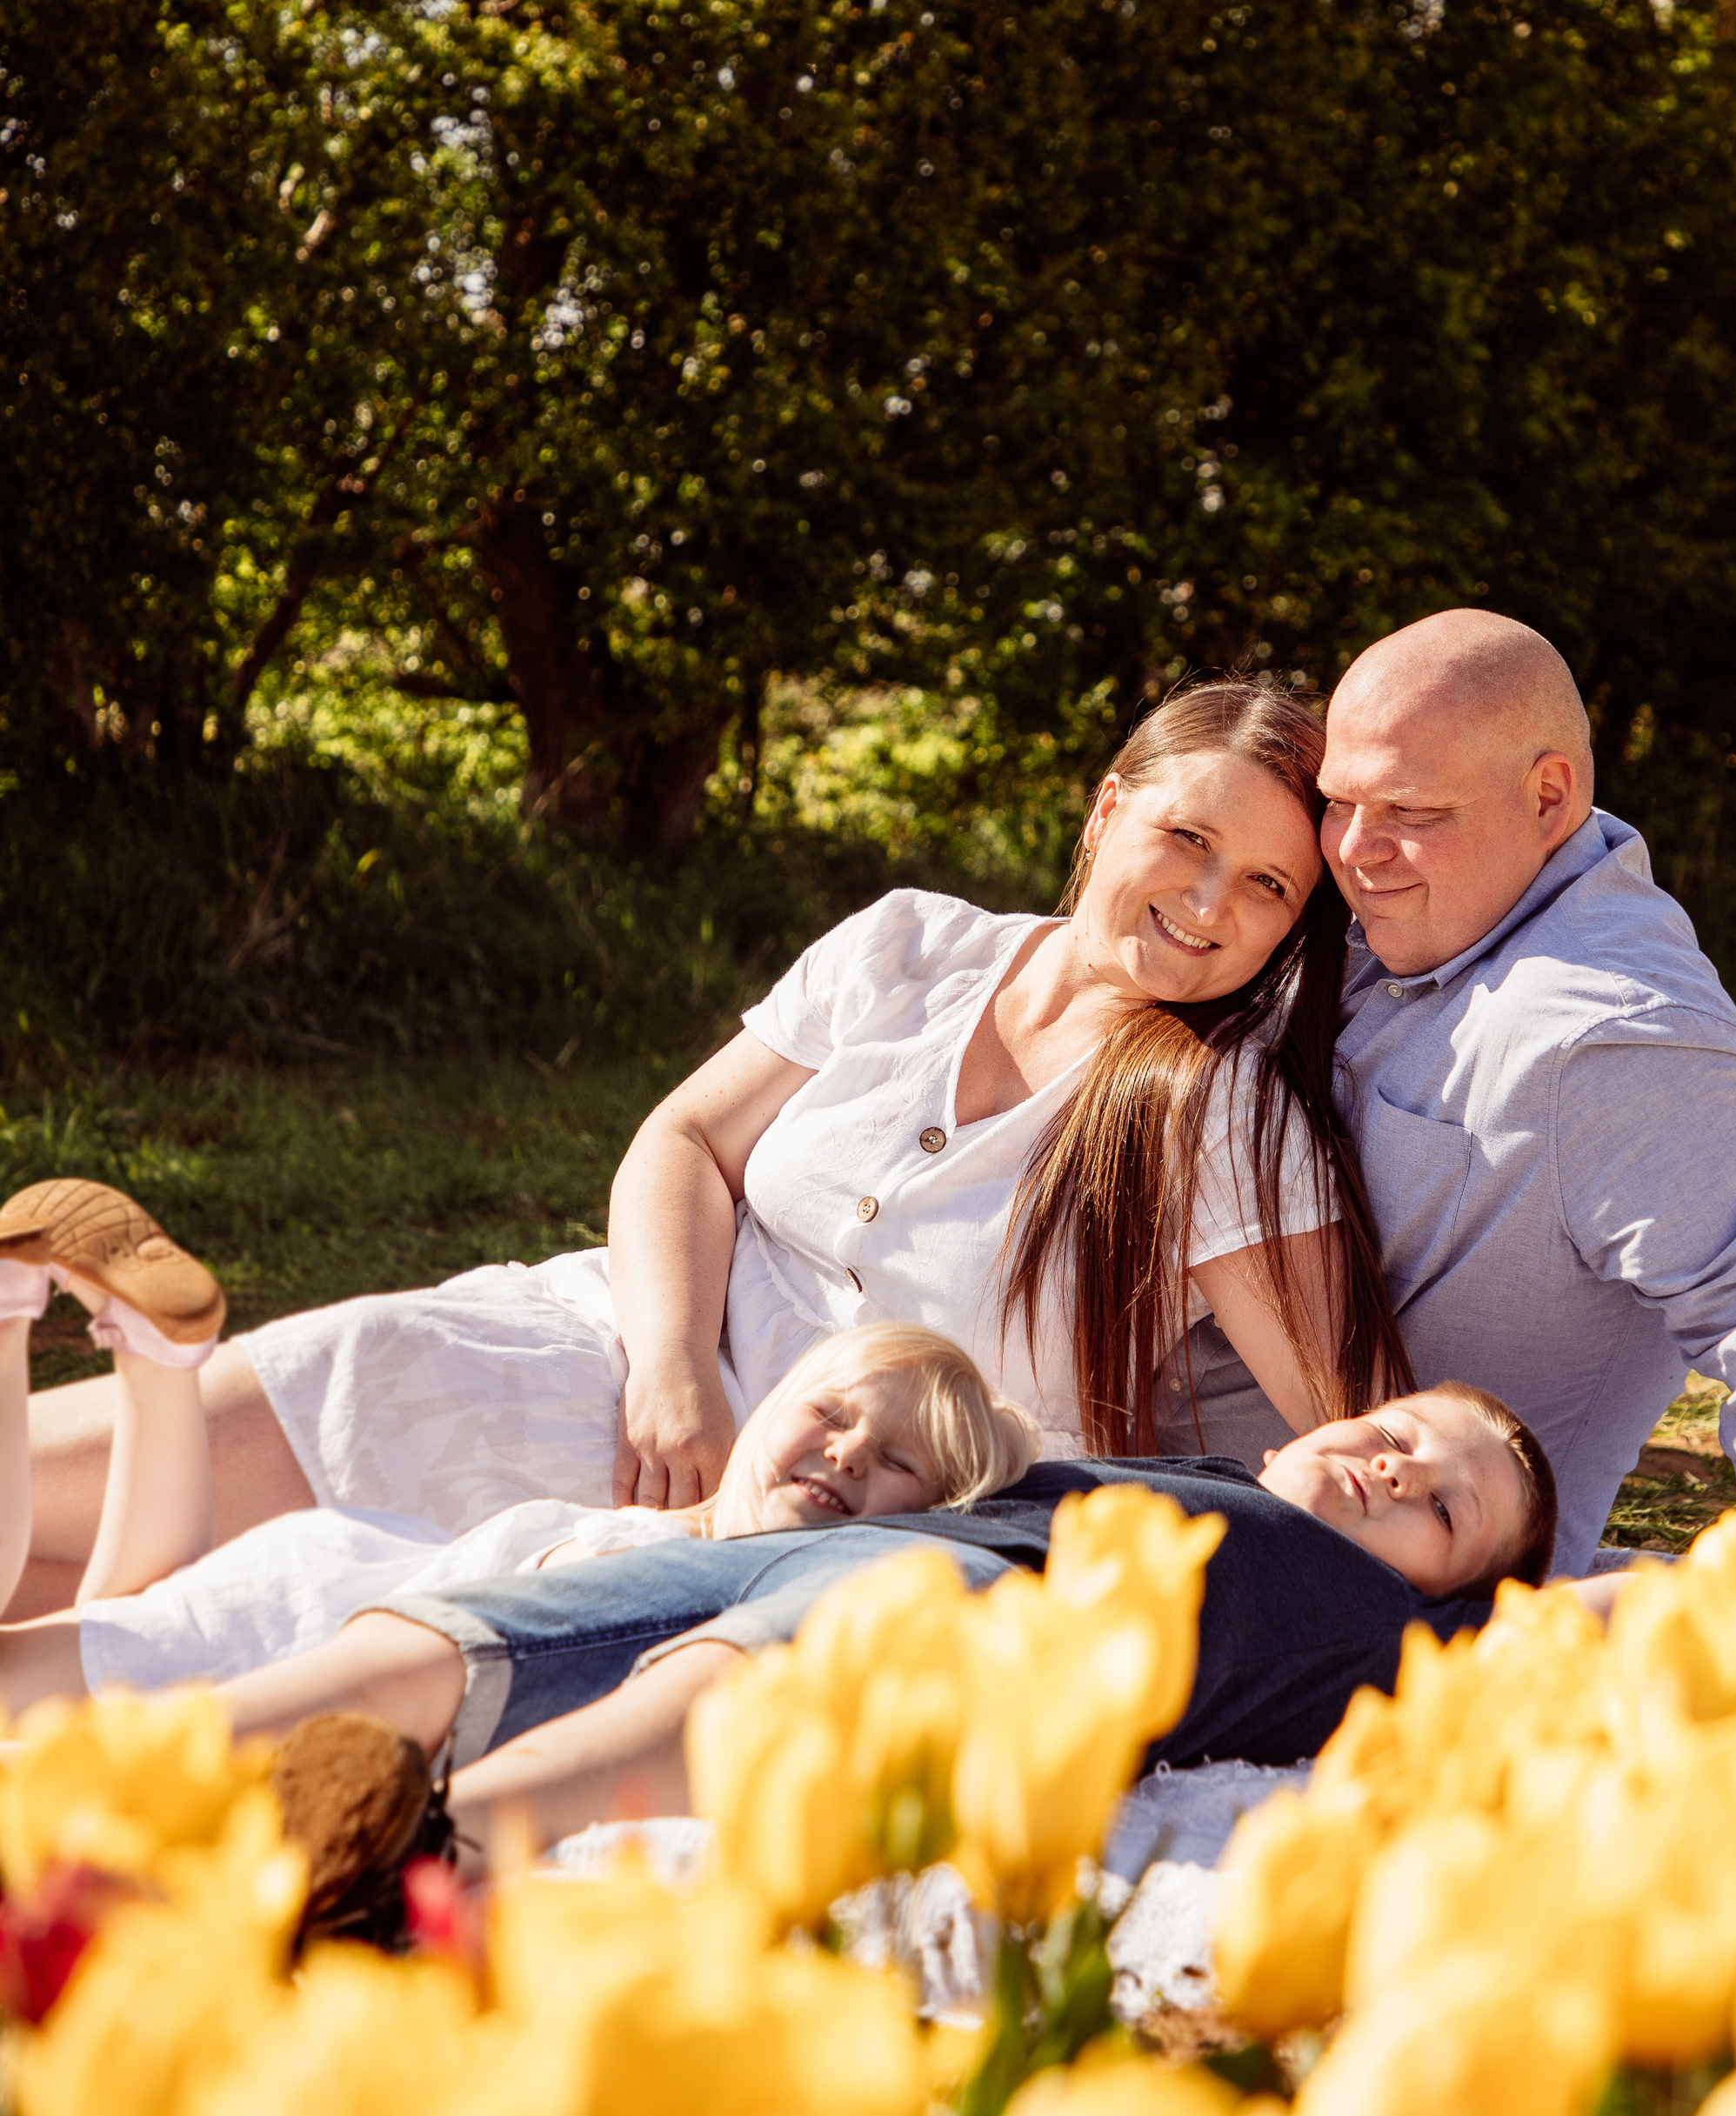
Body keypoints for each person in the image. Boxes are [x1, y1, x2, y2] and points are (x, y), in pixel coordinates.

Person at [7, 683, 1408, 1613]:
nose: (1209, 902)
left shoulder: (1222, 1119)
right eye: (1186, 837)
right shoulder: (913, 944)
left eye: (1268, 885)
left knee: (175, 1575)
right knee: (221, 1440)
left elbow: (1363, 1423)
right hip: (615, 1356)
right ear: (1107, 810)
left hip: (823, 1502)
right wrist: (671, 1365)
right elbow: (683, 1138)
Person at [1171, 611, 1736, 1581]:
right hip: (1123, 1491)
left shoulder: (1616, 1037)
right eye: (1339, 801)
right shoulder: (1417, 909)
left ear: (1549, 796)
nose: (1354, 849)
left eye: (1411, 812)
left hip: (1329, 1587)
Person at [213, 1378, 1562, 1912]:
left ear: (1452, 1595)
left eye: (1445, 1508)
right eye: (1396, 1432)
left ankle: (428, 1845)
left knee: (754, 1684)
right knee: (485, 1640)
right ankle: (176, 1760)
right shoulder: (1192, 1468)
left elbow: (1592, 1611)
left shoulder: (1380, 1631)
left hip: (988, 1613)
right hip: (855, 1542)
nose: (1399, 1471)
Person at [0, 1228, 1038, 1714]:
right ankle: (33, 1332)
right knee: (61, 1660)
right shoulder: (649, 1554)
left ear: (925, 1518)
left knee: (111, 1614)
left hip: (330, 1597)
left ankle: (153, 1369)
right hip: (320, 1613)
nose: (847, 1452)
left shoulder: (730, 1589)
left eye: (894, 1460)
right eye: (830, 1415)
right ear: (766, 1410)